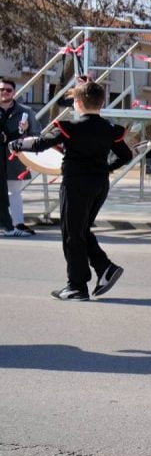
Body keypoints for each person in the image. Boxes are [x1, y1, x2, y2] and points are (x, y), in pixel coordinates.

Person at [9, 78, 131, 299]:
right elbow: (126, 155)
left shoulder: (70, 127)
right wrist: (105, 167)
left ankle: (77, 286)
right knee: (81, 230)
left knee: (72, 235)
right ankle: (105, 267)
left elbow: (39, 144)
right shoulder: (109, 129)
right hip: (99, 184)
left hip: (76, 184)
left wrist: (17, 144)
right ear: (101, 103)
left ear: (78, 103)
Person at [0, 77, 41, 236]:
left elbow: (36, 135)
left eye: (8, 90)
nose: (4, 93)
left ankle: (18, 224)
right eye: (1, 89)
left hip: (15, 158)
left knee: (14, 191)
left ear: (14, 92)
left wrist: (25, 131)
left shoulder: (26, 112)